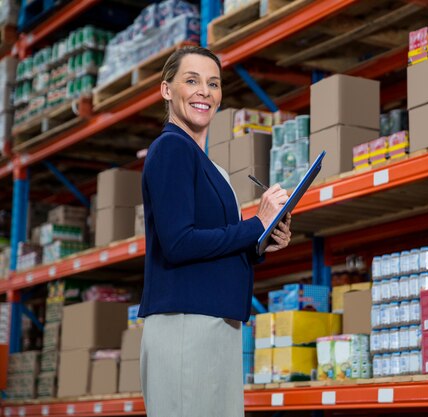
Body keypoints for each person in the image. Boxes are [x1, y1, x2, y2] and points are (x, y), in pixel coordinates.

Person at [138, 46, 292, 417]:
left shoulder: (209, 166)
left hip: (213, 326)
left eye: (213, 83)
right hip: (185, 327)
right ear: (166, 90)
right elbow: (178, 244)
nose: (204, 91)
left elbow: (214, 241)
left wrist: (260, 240)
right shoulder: (171, 149)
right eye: (191, 81)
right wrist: (254, 224)